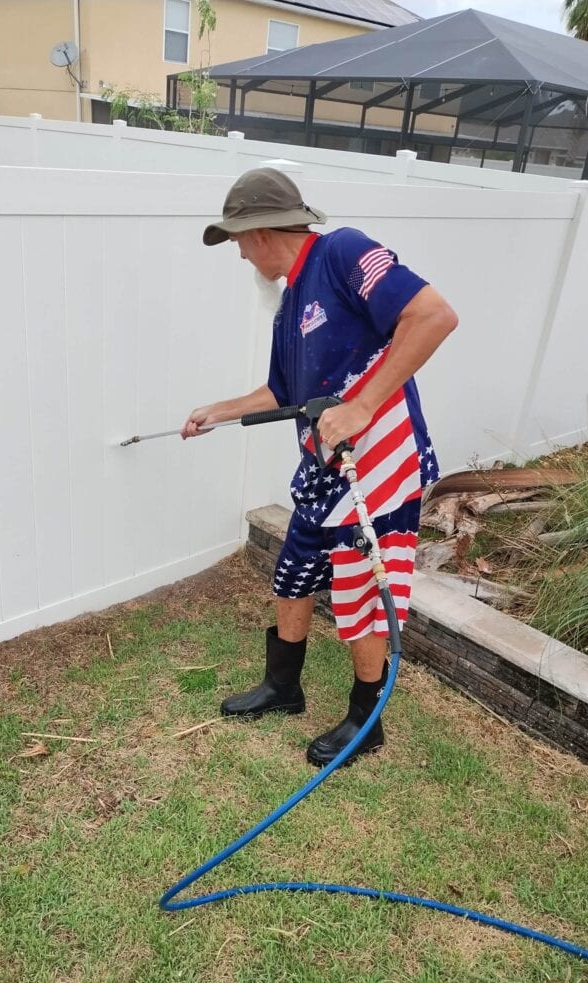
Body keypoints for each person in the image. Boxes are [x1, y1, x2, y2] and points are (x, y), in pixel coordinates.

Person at [182, 167, 457, 768]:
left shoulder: (342, 253)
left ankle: (366, 721)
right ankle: (284, 687)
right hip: (323, 469)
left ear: (256, 234)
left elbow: (433, 316)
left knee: (360, 596)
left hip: (377, 471)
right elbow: (282, 391)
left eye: (235, 241)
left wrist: (361, 406)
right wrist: (217, 412)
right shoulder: (290, 303)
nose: (238, 253)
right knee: (295, 574)